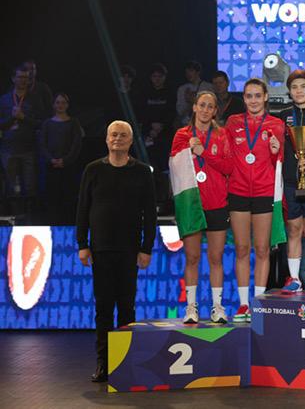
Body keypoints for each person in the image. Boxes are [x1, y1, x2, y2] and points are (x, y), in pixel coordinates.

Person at [76, 120, 156, 382]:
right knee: (103, 308)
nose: (117, 139)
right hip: (100, 249)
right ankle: (103, 362)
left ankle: (126, 362)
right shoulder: (93, 170)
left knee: (126, 308)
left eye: (123, 135)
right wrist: (82, 244)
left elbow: (150, 214)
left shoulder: (142, 172)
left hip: (130, 250)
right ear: (106, 139)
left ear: (131, 141)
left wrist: (146, 247)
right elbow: (83, 208)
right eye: (113, 135)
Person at [170, 91, 232, 324]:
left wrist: (203, 153)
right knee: (192, 257)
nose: (205, 110)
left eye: (210, 106)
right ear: (194, 107)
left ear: (215, 111)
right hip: (192, 203)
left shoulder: (222, 135)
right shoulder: (182, 135)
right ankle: (191, 308)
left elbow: (229, 167)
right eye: (202, 105)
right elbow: (174, 167)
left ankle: (217, 307)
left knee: (216, 257)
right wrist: (187, 151)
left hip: (217, 202)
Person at [225, 78, 284, 322]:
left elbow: (280, 162)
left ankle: (258, 303)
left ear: (266, 97)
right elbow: (227, 156)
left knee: (262, 249)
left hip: (264, 191)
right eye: (249, 96)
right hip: (238, 191)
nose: (253, 100)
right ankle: (242, 304)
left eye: (258, 95)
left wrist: (275, 152)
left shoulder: (276, 124)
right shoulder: (233, 122)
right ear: (244, 98)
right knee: (241, 248)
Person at [278, 70, 305, 293]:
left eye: (303, 86)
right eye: (294, 87)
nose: (299, 91)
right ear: (289, 91)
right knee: (294, 230)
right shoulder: (282, 116)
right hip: (290, 179)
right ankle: (294, 278)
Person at [0, 64, 46, 203]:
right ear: (13, 78)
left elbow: (41, 123)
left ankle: (30, 215)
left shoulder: (35, 99)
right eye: (20, 77)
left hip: (29, 149)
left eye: (26, 77)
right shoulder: (4, 99)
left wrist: (23, 117)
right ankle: (13, 215)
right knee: (11, 188)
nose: (23, 80)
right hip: (8, 149)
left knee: (30, 187)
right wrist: (12, 118)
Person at [38, 93, 83, 224]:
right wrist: (51, 159)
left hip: (69, 167)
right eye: (58, 102)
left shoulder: (73, 122)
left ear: (67, 105)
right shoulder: (47, 123)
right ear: (53, 105)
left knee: (68, 196)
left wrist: (65, 160)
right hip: (51, 167)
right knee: (52, 197)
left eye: (63, 102)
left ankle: (68, 224)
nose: (60, 105)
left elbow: (76, 144)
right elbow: (42, 144)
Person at [176, 61, 214, 127]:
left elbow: (212, 109)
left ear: (198, 72)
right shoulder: (182, 89)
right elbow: (180, 113)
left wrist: (194, 101)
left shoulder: (208, 87)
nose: (188, 74)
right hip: (186, 125)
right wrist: (189, 103)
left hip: (204, 125)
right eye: (186, 72)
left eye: (191, 71)